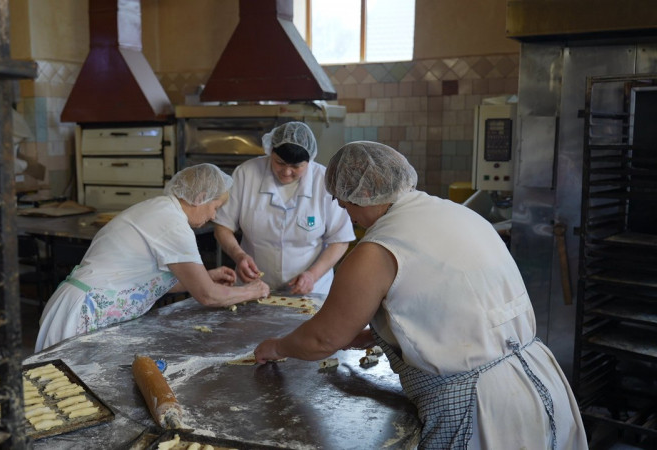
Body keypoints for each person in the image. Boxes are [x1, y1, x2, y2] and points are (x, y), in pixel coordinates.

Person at [254, 142, 588, 449]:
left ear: (362, 194)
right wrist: (377, 334)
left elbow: (323, 339)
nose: (348, 216)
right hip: (538, 380)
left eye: (344, 204)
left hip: (478, 407)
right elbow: (458, 302)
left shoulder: (377, 249)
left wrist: (276, 347)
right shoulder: (460, 214)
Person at [36, 164, 269, 352]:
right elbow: (207, 295)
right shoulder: (172, 223)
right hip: (81, 315)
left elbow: (147, 282)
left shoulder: (163, 210)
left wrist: (206, 276)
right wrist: (252, 291)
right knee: (63, 391)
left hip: (87, 310)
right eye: (215, 207)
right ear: (200, 198)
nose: (214, 215)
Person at [213, 122, 355, 295]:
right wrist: (239, 255)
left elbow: (340, 239)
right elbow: (223, 226)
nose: (287, 172)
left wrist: (312, 275)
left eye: (296, 166)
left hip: (311, 290)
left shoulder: (324, 181)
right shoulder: (246, 174)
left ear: (309, 160)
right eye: (279, 163)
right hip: (254, 286)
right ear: (270, 152)